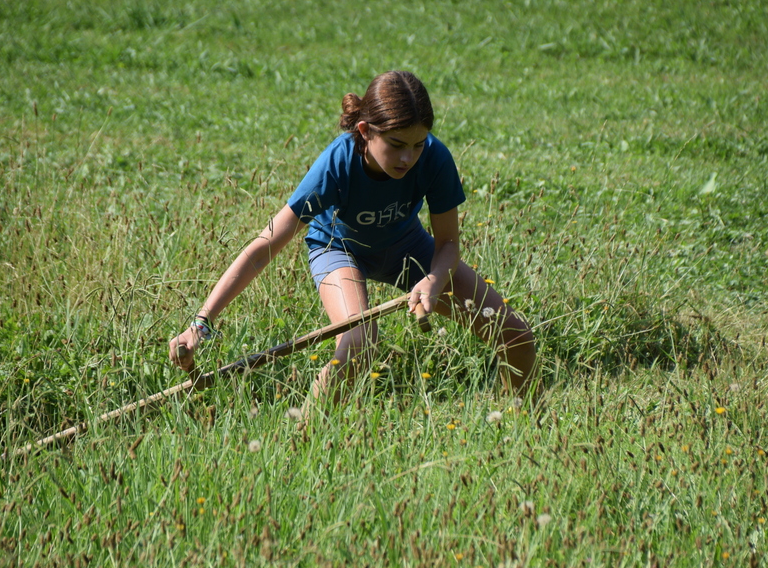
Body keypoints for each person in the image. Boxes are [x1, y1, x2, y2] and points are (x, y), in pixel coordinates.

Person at [169, 70, 536, 404]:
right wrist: (201, 322)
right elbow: (264, 247)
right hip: (338, 249)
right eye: (396, 143)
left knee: (515, 335)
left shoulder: (435, 158)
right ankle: (306, 438)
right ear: (365, 131)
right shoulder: (337, 165)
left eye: (418, 144)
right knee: (360, 341)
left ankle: (521, 423)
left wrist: (435, 279)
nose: (408, 157)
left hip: (406, 247)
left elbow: (449, 244)